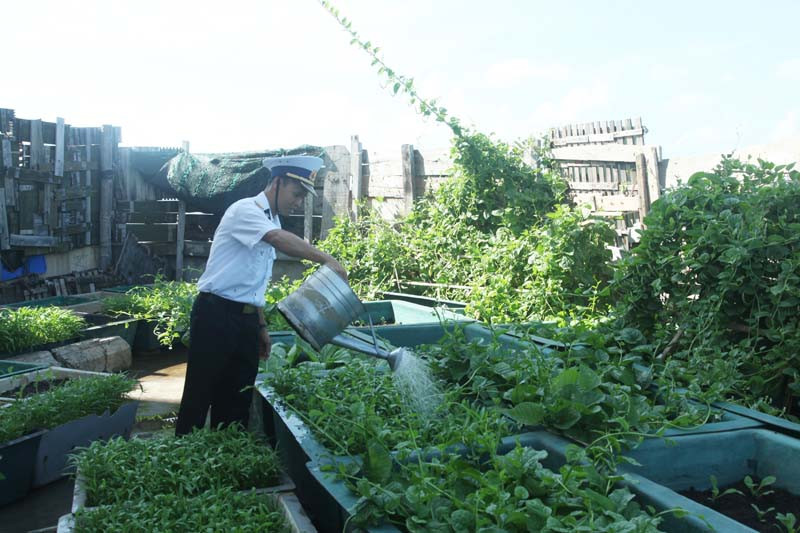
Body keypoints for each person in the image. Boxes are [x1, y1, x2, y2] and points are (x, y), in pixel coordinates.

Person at [175, 155, 347, 436]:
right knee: (199, 394)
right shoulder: (245, 210)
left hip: (246, 321)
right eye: (296, 194)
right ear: (277, 183)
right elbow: (278, 239)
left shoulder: (271, 219)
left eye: (303, 198)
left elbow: (253, 283)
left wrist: (261, 326)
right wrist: (327, 259)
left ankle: (226, 452)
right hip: (214, 315)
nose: (298, 202)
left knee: (237, 399)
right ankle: (183, 452)